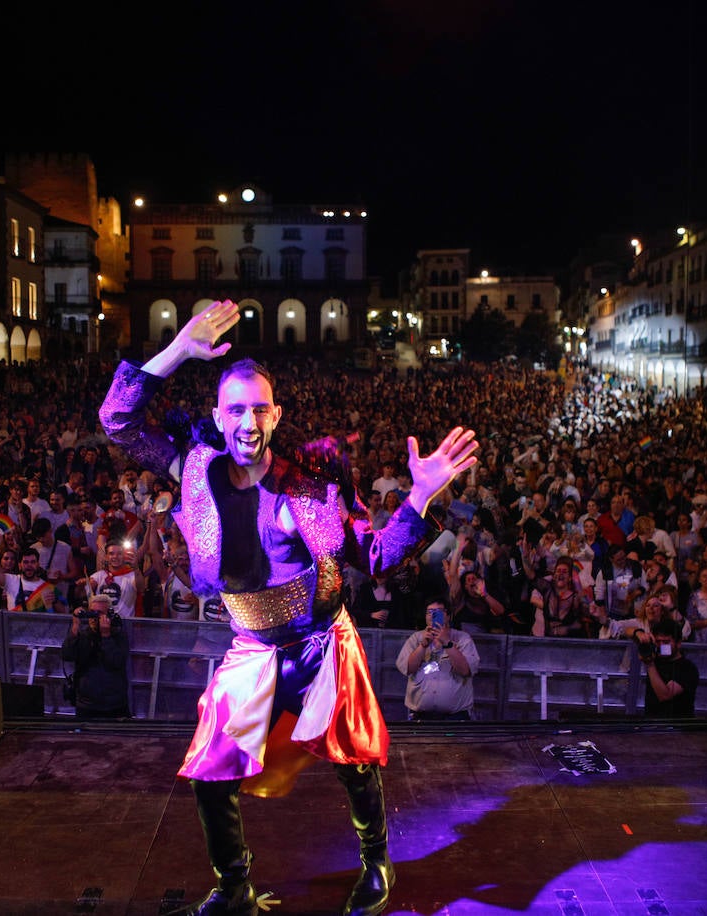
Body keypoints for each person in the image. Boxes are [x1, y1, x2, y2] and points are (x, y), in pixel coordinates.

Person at [100, 299, 477, 916]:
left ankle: (377, 863)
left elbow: (377, 557)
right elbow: (117, 420)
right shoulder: (193, 469)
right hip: (252, 644)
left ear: (276, 415)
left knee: (353, 762)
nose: (248, 421)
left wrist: (419, 495)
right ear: (219, 418)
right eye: (235, 409)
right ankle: (233, 886)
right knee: (211, 770)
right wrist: (177, 353)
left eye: (259, 408)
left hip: (321, 641)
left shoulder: (312, 485)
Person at [394, 598, 479, 721]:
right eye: (429, 612)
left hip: (456, 717)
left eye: (438, 611)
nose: (433, 615)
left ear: (448, 616)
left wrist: (447, 643)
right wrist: (423, 645)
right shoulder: (416, 638)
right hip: (420, 716)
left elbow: (465, 670)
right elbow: (408, 669)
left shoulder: (463, 639)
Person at [62, 593, 131, 718]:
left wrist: (106, 636)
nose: (94, 617)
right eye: (92, 612)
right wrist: (75, 627)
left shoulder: (118, 634)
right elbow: (67, 656)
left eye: (99, 613)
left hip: (114, 704)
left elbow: (116, 661)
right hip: (87, 704)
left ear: (109, 614)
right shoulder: (83, 635)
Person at [634, 619, 698, 717]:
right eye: (658, 641)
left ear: (678, 643)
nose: (661, 646)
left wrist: (650, 664)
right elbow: (627, 630)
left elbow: (665, 695)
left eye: (666, 642)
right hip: (651, 725)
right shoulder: (655, 658)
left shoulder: (688, 668)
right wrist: (640, 634)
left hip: (678, 728)